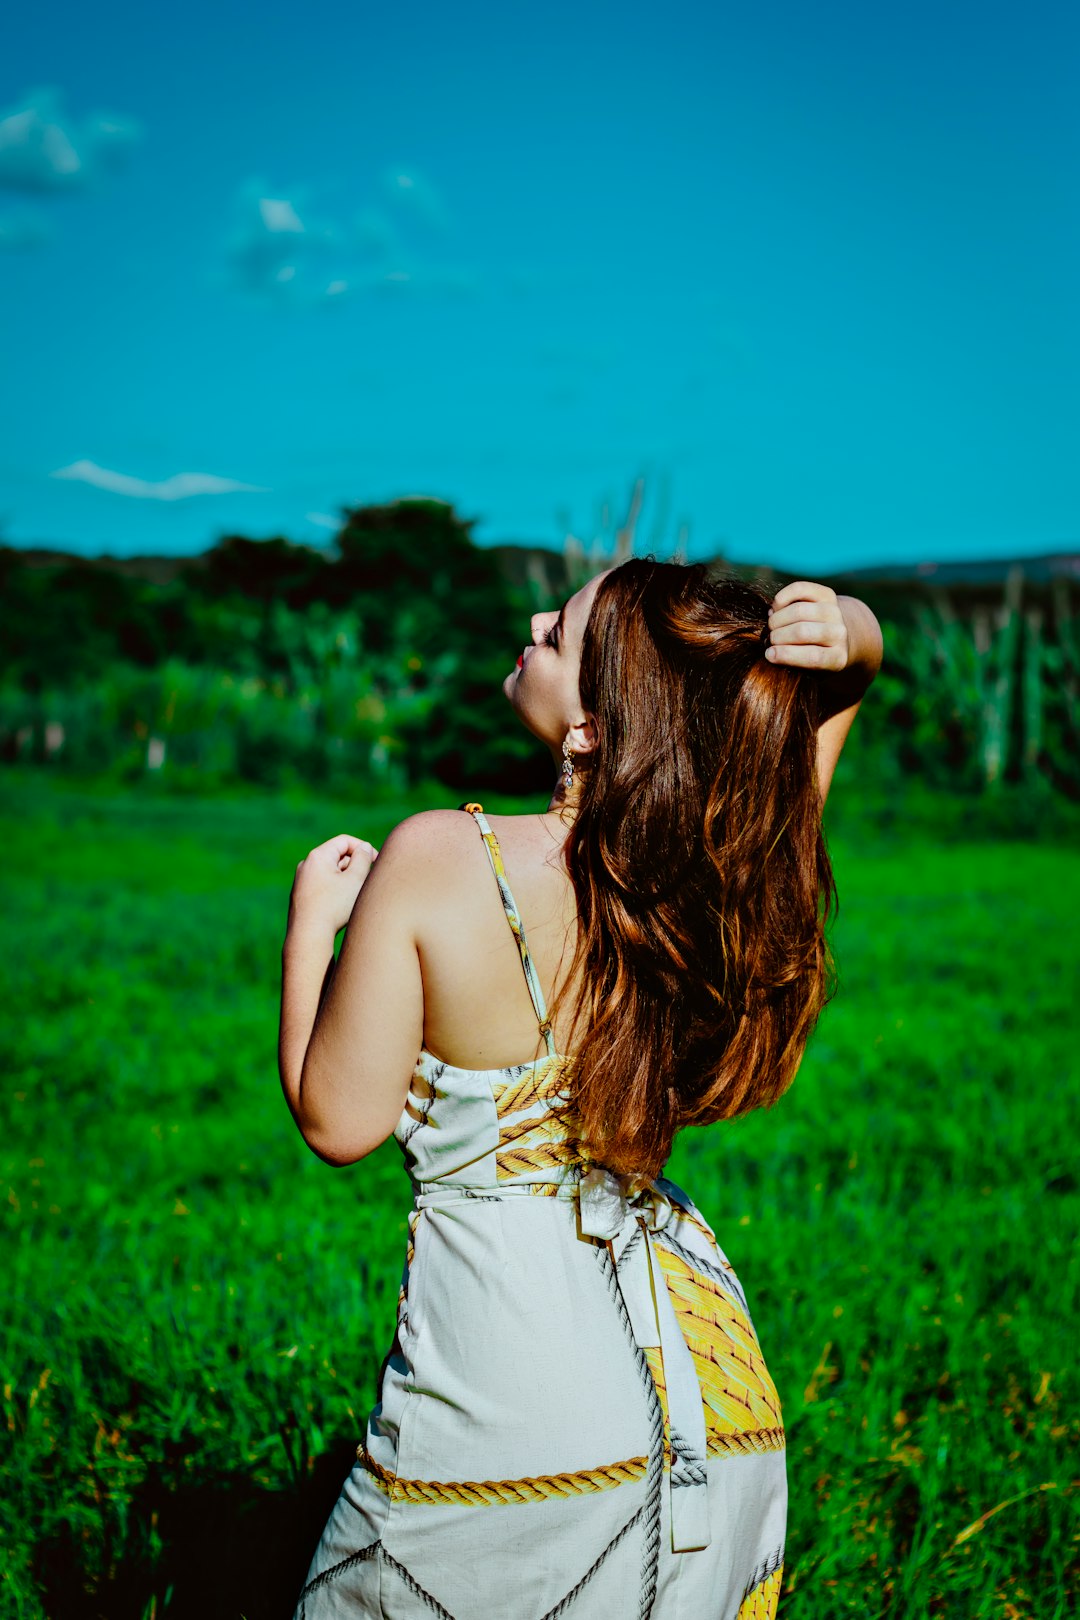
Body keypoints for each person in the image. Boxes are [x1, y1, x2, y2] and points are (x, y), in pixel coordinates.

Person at [279, 560, 883, 1620]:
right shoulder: (722, 879)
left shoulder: (438, 856)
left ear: (593, 730)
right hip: (711, 1397)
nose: (531, 623)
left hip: (508, 1392)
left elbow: (337, 1119)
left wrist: (309, 934)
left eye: (557, 634)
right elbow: (827, 704)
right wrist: (855, 634)